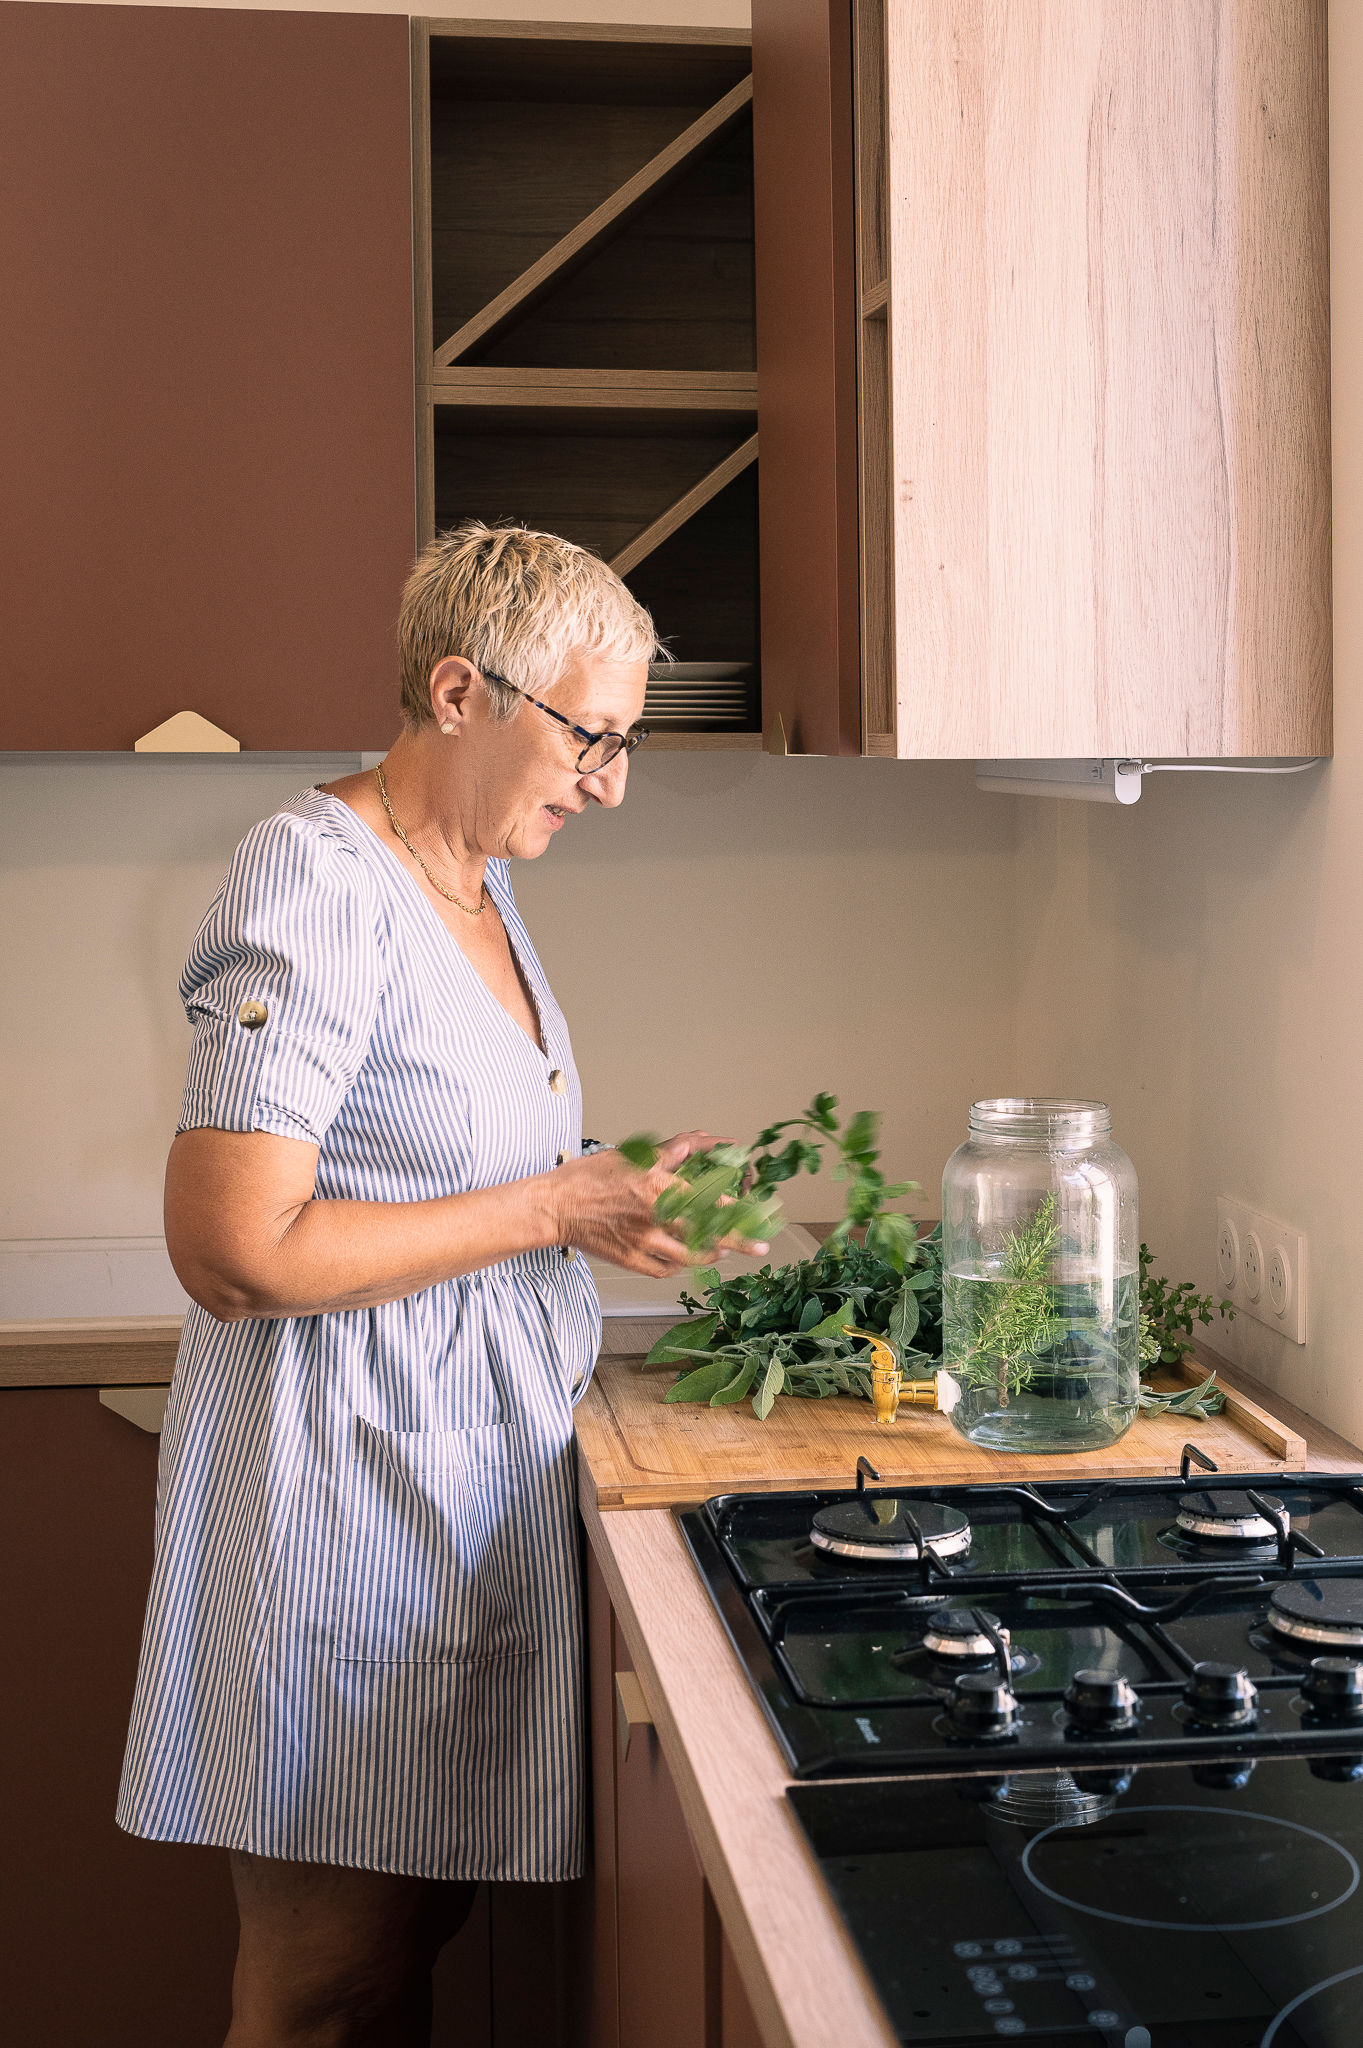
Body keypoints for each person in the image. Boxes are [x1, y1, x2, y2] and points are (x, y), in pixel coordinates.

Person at [117, 522, 765, 2045]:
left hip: (444, 1496)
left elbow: (425, 1162)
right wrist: (552, 1201)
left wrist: (598, 1197)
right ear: (461, 694)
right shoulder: (316, 880)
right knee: (325, 1988)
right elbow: (234, 1251)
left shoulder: (469, 879)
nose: (612, 780)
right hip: (338, 1507)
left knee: (399, 1953)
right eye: (592, 735)